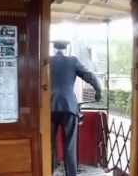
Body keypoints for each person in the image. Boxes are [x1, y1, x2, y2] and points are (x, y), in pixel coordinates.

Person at [50, 41, 101, 176]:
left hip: (49, 107)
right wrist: (98, 89)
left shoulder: (46, 60)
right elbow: (88, 75)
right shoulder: (73, 61)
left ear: (53, 48)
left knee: (48, 144)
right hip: (69, 107)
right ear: (66, 48)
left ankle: (47, 171)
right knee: (70, 145)